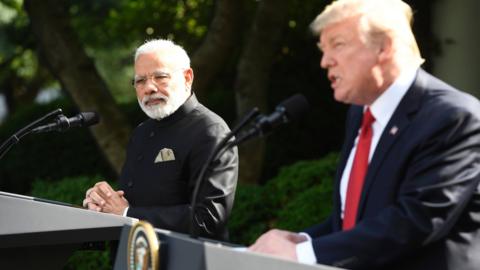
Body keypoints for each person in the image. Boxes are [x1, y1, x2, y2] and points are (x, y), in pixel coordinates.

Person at [248, 0, 480, 269]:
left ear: (384, 47)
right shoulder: (360, 113)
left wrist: (304, 255)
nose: (325, 61)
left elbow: (415, 220)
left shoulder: (455, 117)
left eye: (338, 44)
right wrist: (301, 240)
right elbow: (354, 219)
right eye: (323, 49)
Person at [82, 39, 238, 241]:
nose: (149, 88)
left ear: (187, 77)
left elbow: (208, 218)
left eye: (160, 77)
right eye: (140, 81)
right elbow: (131, 203)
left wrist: (127, 214)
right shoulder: (141, 132)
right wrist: (103, 204)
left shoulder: (210, 131)